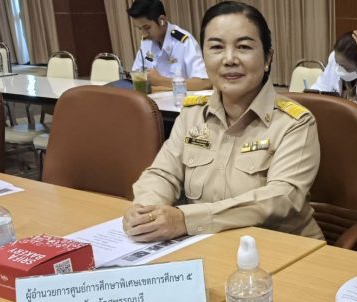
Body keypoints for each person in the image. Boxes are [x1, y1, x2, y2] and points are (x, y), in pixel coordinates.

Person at [123, 1, 324, 242]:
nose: (229, 59)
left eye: (244, 47)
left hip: (282, 247)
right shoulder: (192, 114)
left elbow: (281, 198)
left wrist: (186, 220)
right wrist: (145, 210)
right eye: (217, 47)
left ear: (268, 57)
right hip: (210, 245)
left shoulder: (295, 123)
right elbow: (162, 174)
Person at [128, 0, 211, 91]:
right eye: (139, 28)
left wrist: (160, 81)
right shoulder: (146, 42)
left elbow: (204, 83)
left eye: (147, 28)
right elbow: (136, 78)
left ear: (162, 20)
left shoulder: (183, 42)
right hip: (154, 99)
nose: (144, 34)